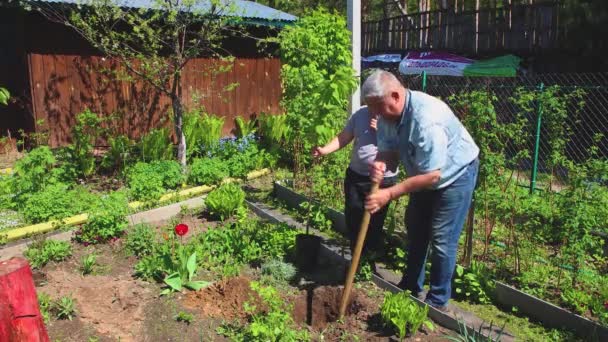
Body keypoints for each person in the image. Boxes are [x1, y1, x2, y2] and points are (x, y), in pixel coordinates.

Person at [362, 69, 479, 311]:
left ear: (395, 96)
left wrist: (389, 193)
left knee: (442, 237)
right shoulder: (386, 116)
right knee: (415, 228)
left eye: (378, 107)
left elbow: (433, 176)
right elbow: (389, 153)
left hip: (455, 174)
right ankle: (410, 286)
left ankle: (437, 302)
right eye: (372, 108)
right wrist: (382, 163)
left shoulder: (426, 119)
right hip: (424, 173)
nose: (375, 114)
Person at [313, 105, 398, 262]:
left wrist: (382, 131)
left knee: (374, 223)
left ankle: (368, 261)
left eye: (375, 100)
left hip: (382, 179)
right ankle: (356, 259)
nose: (372, 105)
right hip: (356, 176)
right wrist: (324, 150)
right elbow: (344, 137)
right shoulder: (361, 113)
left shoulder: (395, 116)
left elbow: (400, 147)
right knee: (353, 217)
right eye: (370, 100)